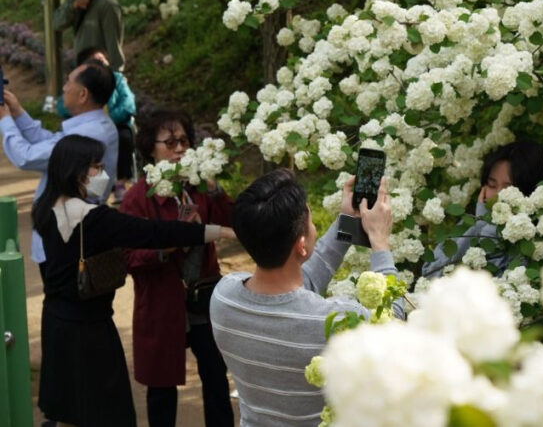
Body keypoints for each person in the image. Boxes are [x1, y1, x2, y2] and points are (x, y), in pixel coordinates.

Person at [32, 134, 235, 427]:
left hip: (56, 322)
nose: (103, 174)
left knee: (70, 411)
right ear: (75, 170)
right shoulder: (93, 217)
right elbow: (153, 233)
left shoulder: (46, 208)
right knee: (103, 410)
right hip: (90, 329)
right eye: (96, 167)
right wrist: (215, 232)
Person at [210, 169, 403, 427]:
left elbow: (302, 280)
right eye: (311, 223)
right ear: (301, 244)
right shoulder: (331, 320)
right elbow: (394, 325)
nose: (314, 227)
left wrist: (347, 219)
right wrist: (380, 243)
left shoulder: (223, 297)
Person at [119, 108, 234, 427]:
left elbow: (229, 223)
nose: (180, 149)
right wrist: (169, 244)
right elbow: (129, 257)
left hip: (203, 297)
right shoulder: (137, 197)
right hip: (161, 302)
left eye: (184, 141)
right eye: (169, 143)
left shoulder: (198, 186)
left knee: (216, 380)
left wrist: (214, 188)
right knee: (161, 390)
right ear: (150, 148)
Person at [0, 59, 119, 279]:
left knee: (64, 306)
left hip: (68, 242)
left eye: (68, 81)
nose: (63, 87)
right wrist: (17, 114)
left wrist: (5, 120)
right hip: (72, 237)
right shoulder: (96, 126)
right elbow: (48, 144)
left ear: (83, 94)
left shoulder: (89, 133)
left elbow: (27, 157)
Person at [422, 140, 543, 278]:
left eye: (508, 188)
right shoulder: (470, 225)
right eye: (491, 185)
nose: (497, 195)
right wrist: (481, 223)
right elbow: (430, 273)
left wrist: (489, 229)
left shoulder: (533, 245)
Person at [58, 46, 136, 203]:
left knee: (124, 138)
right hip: (89, 127)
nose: (101, 64)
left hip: (116, 123)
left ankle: (117, 184)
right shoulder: (78, 84)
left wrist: (107, 121)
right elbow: (62, 106)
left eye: (102, 60)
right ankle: (93, 194)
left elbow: (128, 105)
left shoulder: (117, 79)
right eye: (94, 62)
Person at [54, 0, 125, 71]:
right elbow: (57, 23)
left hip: (100, 73)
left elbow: (114, 47)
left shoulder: (107, 5)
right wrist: (73, 8)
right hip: (82, 71)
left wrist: (114, 78)